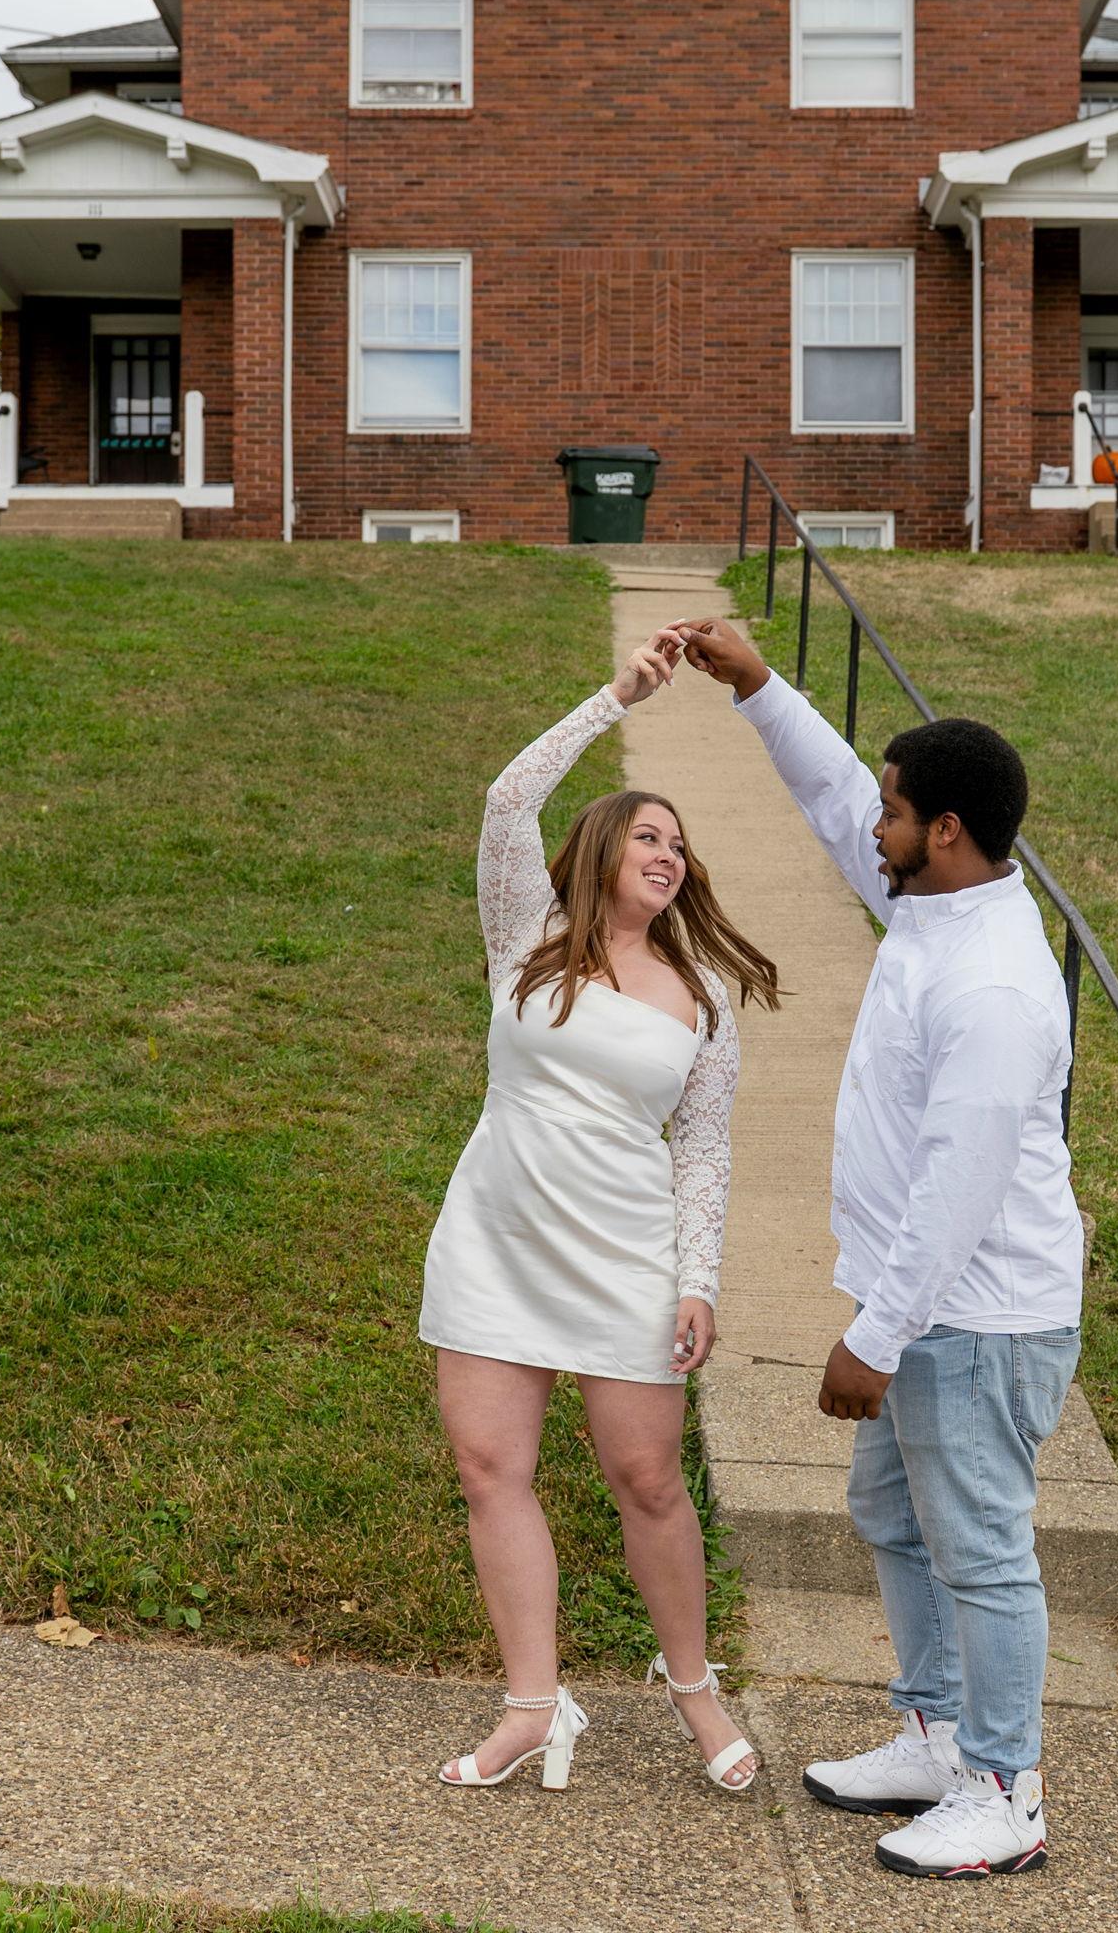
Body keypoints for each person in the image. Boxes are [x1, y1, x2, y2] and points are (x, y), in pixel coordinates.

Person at [676, 616, 1082, 1881]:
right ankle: (937, 1732)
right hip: (924, 1303)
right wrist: (756, 683)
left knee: (982, 1550)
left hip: (975, 1313)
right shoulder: (933, 905)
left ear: (942, 831)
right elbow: (833, 792)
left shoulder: (993, 982)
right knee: (895, 1518)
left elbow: (960, 1186)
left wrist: (874, 1331)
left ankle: (1004, 1791)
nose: (875, 824)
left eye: (896, 813)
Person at [422, 629, 781, 1795]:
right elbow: (505, 799)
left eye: (679, 842)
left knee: (648, 1480)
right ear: (597, 850)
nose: (668, 852)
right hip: (493, 1239)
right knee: (490, 1466)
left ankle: (694, 1687)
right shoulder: (525, 934)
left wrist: (698, 1279)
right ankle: (531, 1704)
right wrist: (612, 697)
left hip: (625, 1251)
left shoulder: (702, 997)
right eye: (647, 834)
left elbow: (704, 1147)